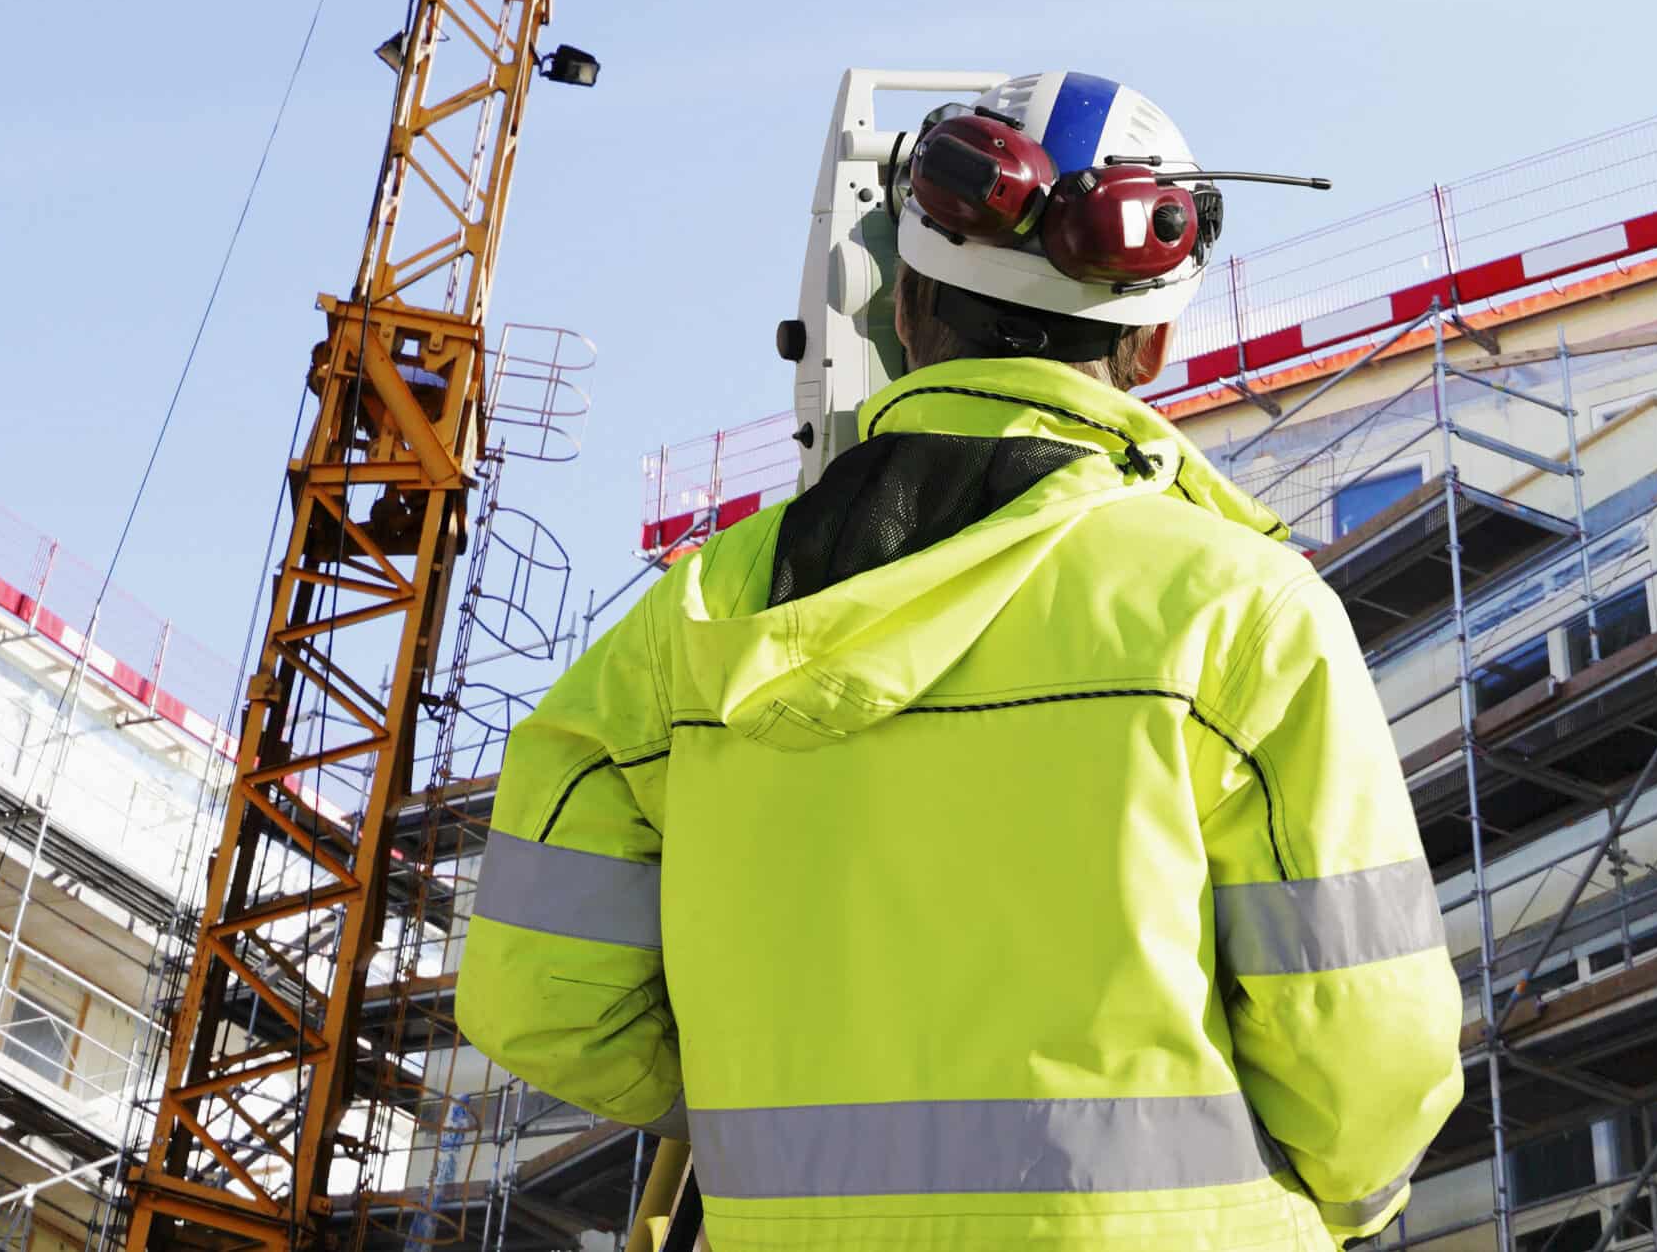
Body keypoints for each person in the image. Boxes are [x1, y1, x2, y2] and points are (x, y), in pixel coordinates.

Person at [456, 69, 1462, 1248]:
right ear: (1152, 337)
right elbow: (1366, 1050)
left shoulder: (682, 629)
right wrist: (1335, 1206)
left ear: (899, 305)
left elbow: (537, 1005)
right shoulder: (1239, 609)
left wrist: (778, 1109)